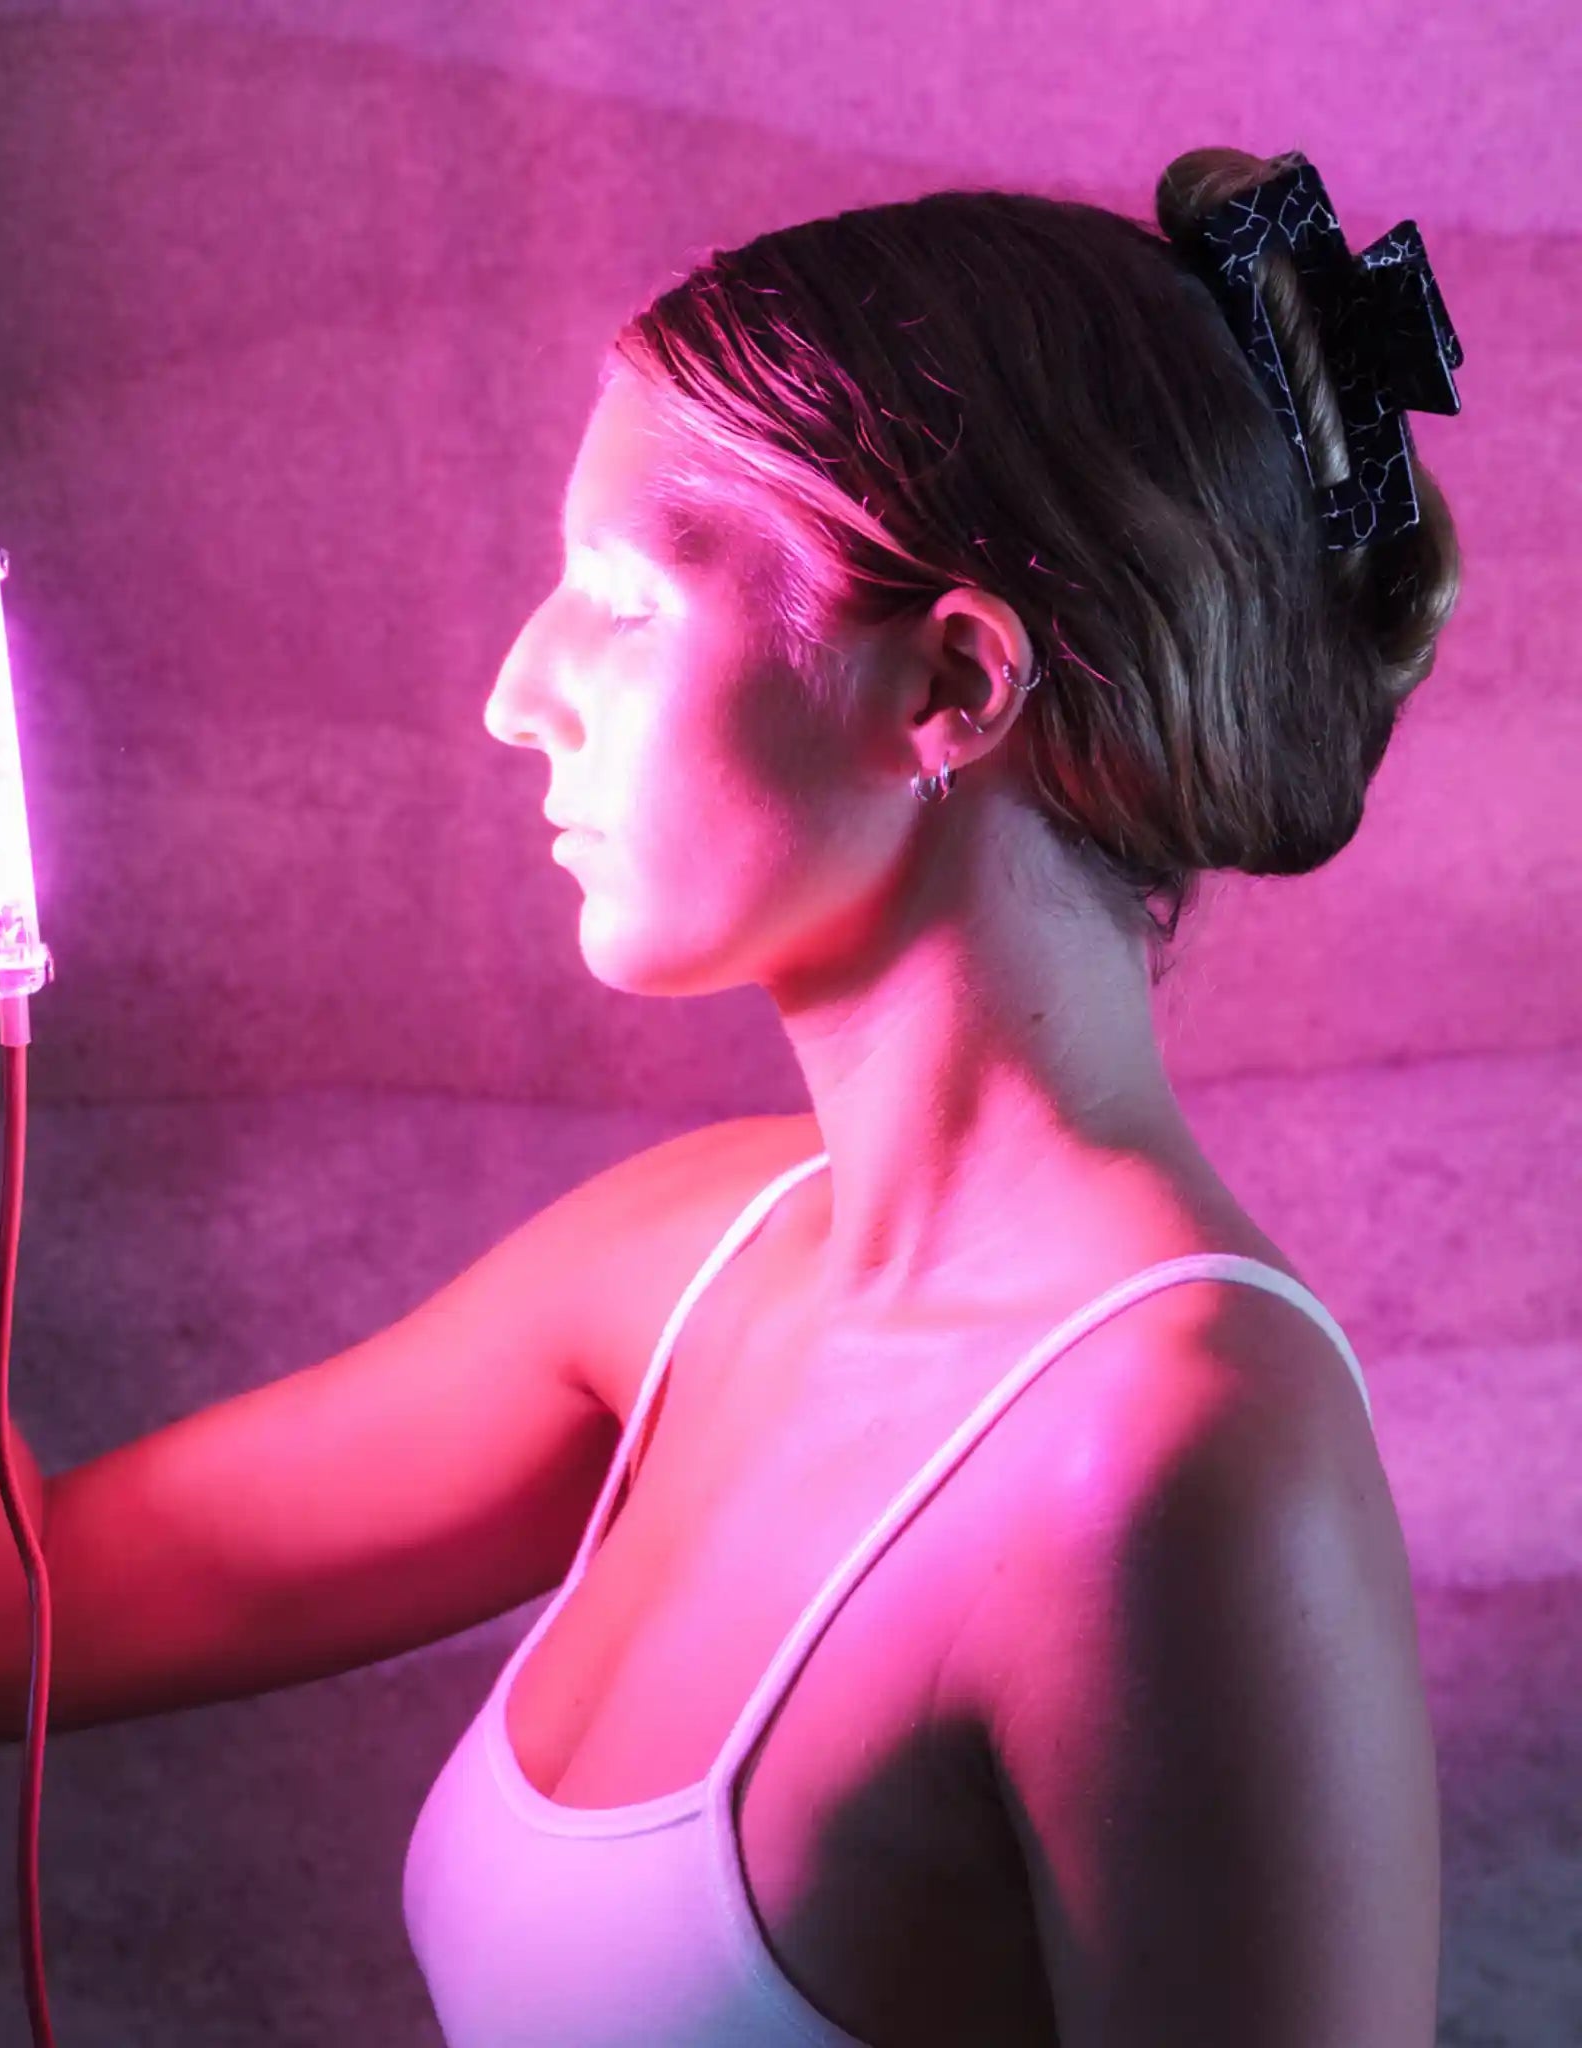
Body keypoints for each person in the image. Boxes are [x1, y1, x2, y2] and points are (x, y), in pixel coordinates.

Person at [403, 144, 1454, 2046]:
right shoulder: (682, 1270)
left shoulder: (1171, 1468)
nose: (514, 691)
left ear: (949, 683)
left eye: (622, 604)